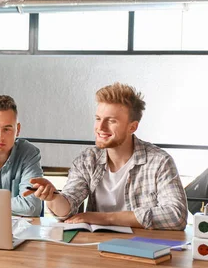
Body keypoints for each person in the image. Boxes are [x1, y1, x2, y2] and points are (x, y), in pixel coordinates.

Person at [31, 82, 188, 230]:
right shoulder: (87, 159)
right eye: (98, 118)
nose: (100, 127)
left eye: (111, 121)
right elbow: (68, 207)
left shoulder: (159, 161)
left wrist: (105, 218)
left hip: (143, 247)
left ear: (132, 127)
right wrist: (53, 197)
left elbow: (176, 215)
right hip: (96, 246)